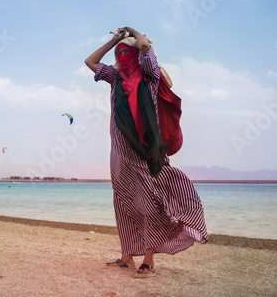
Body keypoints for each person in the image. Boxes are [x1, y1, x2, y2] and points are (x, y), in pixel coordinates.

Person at [85, 27, 208, 278]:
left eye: (124, 52)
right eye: (118, 54)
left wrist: (132, 31)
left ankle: (149, 259)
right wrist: (114, 40)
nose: (121, 56)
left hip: (145, 150)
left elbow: (145, 48)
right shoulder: (114, 78)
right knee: (123, 201)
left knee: (148, 203)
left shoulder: (149, 76)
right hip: (119, 151)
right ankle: (127, 256)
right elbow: (90, 61)